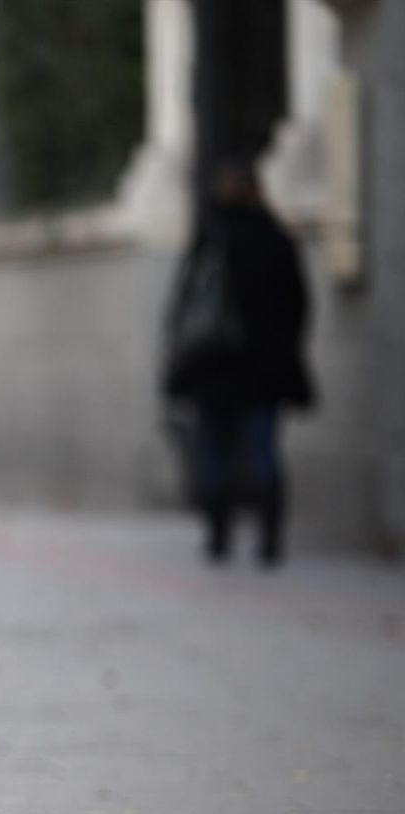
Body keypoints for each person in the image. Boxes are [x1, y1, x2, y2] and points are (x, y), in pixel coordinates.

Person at [164, 162, 315, 567]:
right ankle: (269, 540)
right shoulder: (276, 239)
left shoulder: (210, 241)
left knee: (213, 448)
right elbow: (299, 306)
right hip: (264, 370)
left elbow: (182, 308)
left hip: (212, 367)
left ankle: (218, 536)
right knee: (263, 448)